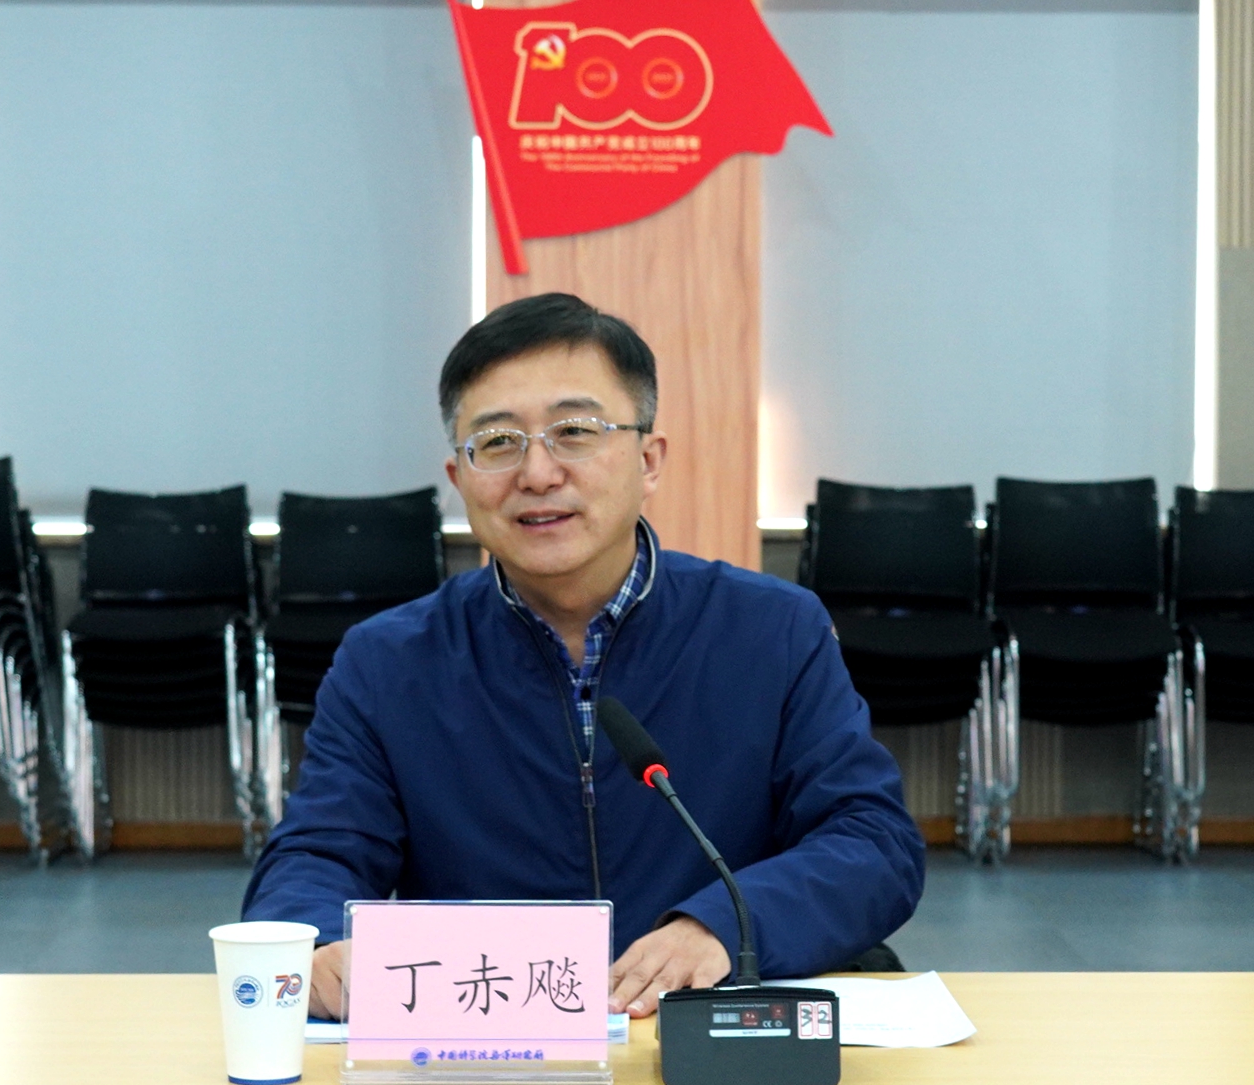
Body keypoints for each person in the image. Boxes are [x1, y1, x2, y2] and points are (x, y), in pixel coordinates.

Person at [242, 292, 925, 1021]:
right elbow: (315, 856)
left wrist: (724, 927)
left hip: (702, 1028)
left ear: (648, 460)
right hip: (490, 1041)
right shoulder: (387, 662)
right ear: (459, 479)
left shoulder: (771, 630)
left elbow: (871, 841)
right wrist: (319, 942)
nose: (537, 473)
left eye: (574, 432)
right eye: (497, 443)